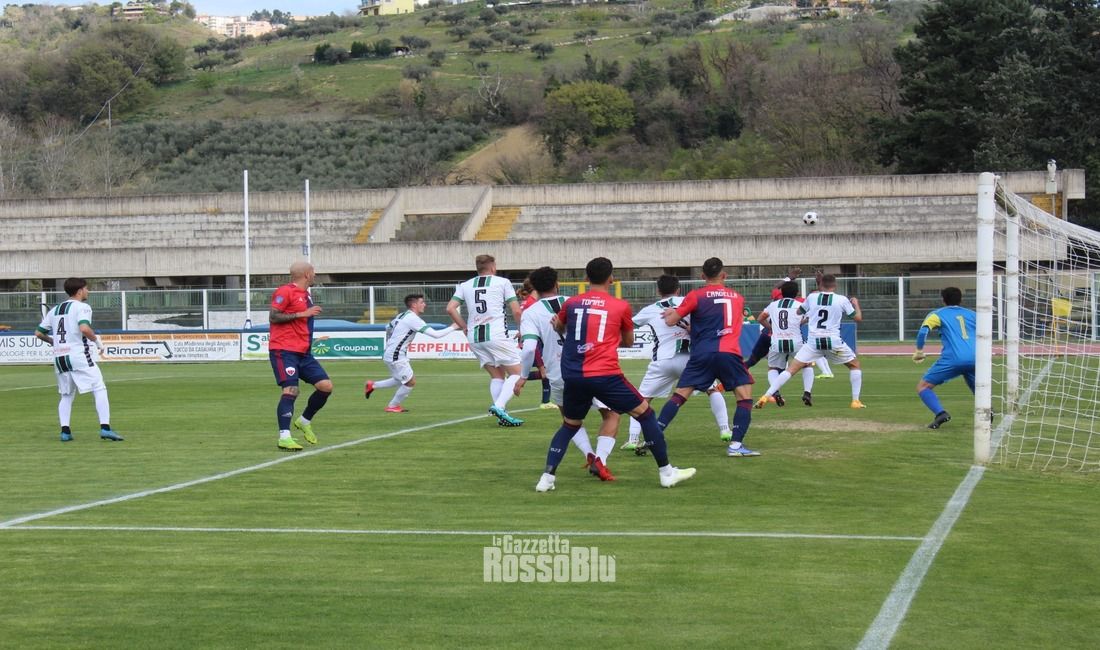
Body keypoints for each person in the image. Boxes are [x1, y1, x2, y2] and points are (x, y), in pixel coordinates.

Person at [535, 257, 696, 491]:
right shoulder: (620, 306)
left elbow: (560, 327)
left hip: (573, 374)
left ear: (586, 278)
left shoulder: (571, 303)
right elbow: (629, 342)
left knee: (570, 424)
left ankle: (546, 478)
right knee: (646, 414)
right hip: (605, 374)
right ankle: (666, 472)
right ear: (611, 278)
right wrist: (606, 340)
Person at [515, 266, 613, 480]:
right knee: (611, 414)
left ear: (535, 288)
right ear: (557, 284)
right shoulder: (577, 302)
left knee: (569, 420)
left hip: (558, 373)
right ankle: (601, 460)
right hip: (589, 367)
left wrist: (523, 376)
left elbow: (529, 349)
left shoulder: (530, 313)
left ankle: (589, 454)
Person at [656, 257, 759, 457]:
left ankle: (654, 435)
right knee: (744, 396)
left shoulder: (695, 295)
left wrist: (671, 312)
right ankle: (736, 446)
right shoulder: (738, 298)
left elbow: (671, 321)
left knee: (680, 395)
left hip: (702, 353)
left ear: (703, 276)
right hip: (729, 352)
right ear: (724, 275)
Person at [623, 275, 732, 450]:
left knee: (642, 399)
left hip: (663, 360)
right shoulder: (690, 301)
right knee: (712, 389)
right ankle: (725, 429)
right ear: (678, 289)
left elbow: (629, 325)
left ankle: (632, 439)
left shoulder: (649, 309)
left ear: (658, 291)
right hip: (691, 358)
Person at [755, 274, 864, 409]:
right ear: (835, 285)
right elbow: (858, 318)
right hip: (833, 340)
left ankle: (766, 396)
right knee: (854, 365)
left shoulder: (812, 297)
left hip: (813, 342)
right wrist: (856, 304)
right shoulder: (842, 299)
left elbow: (799, 312)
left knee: (790, 369)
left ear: (820, 285)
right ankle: (855, 401)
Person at [35, 278, 123, 442]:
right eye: (86, 288)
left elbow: (39, 333)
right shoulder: (83, 307)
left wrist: (54, 342)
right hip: (78, 355)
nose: (88, 291)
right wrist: (97, 341)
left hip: (60, 357)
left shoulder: (55, 310)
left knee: (66, 395)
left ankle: (65, 431)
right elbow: (84, 328)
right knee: (99, 387)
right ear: (80, 290)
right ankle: (105, 428)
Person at [447, 254, 526, 427]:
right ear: (493, 267)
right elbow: (516, 311)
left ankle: (501, 415)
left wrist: (464, 327)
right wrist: (522, 330)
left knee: (497, 375)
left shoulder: (465, 285)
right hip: (496, 335)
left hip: (474, 337)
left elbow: (450, 308)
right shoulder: (502, 282)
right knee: (518, 373)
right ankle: (499, 406)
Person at [269, 260, 332, 451]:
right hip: (284, 350)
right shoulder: (285, 291)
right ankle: (284, 437)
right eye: (313, 272)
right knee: (291, 390)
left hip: (303, 352)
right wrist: (302, 314)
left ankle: (304, 421)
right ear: (307, 274)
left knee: (325, 387)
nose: (315, 275)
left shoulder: (306, 295)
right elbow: (273, 316)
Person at [364, 294, 458, 413]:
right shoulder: (413, 319)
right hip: (396, 355)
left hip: (390, 353)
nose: (424, 304)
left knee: (399, 379)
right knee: (410, 382)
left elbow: (388, 327)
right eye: (422, 302)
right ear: (414, 305)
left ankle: (372, 385)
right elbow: (436, 335)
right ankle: (393, 406)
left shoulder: (402, 315)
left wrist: (390, 343)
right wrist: (453, 327)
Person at [747, 267, 833, 379]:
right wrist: (820, 282)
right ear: (797, 292)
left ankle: (741, 373)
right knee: (806, 360)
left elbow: (775, 288)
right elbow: (820, 298)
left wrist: (789, 277)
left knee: (759, 362)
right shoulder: (800, 302)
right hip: (789, 336)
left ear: (782, 291)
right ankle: (816, 380)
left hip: (769, 334)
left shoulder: (776, 300)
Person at [912, 287, 976, 429]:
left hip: (954, 358)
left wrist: (919, 351)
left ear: (943, 300)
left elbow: (923, 332)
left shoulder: (937, 314)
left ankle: (940, 413)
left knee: (923, 387)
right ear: (961, 299)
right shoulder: (973, 315)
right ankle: (988, 411)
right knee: (979, 388)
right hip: (976, 357)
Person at [755, 280, 816, 408]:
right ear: (797, 293)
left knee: (773, 368)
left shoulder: (773, 305)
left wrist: (772, 328)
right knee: (807, 365)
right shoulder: (800, 305)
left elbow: (760, 318)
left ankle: (776, 392)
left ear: (782, 293)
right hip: (796, 342)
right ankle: (807, 393)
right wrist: (799, 323)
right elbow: (809, 317)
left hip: (777, 342)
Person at [518, 277, 554, 410]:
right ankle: (514, 377)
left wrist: (520, 331)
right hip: (533, 343)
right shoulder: (532, 304)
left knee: (548, 371)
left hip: (531, 341)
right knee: (546, 371)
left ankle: (546, 401)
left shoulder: (527, 302)